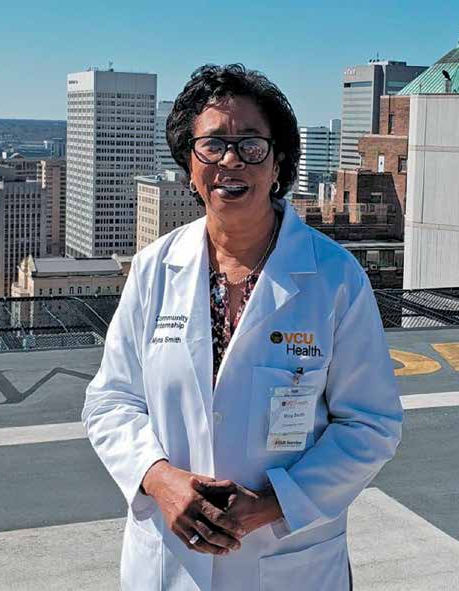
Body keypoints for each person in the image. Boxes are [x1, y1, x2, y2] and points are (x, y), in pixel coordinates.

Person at [82, 64, 404, 590]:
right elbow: (110, 401)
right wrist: (160, 480)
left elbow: (371, 424)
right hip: (171, 562)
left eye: (251, 145)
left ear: (278, 163)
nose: (231, 160)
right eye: (212, 145)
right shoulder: (153, 269)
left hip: (288, 560)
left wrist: (274, 505)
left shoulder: (333, 277)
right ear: (189, 166)